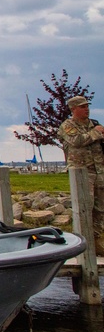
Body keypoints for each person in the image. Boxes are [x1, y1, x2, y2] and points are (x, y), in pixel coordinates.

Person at [58, 95, 104, 254]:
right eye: (83, 107)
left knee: (100, 209)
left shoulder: (94, 124)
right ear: (74, 109)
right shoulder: (68, 125)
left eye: (87, 106)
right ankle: (84, 242)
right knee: (85, 206)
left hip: (99, 171)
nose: (87, 109)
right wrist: (96, 134)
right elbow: (76, 141)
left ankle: (97, 240)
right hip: (82, 172)